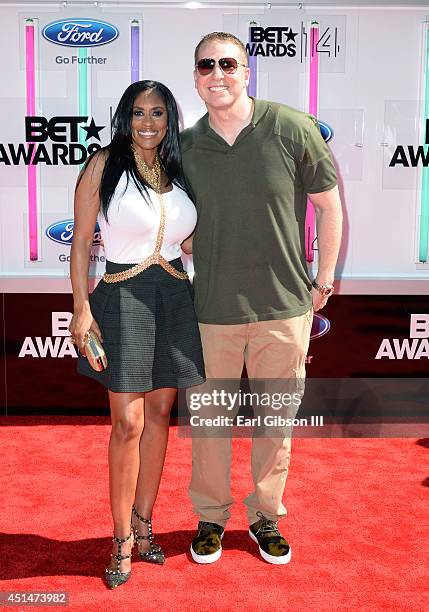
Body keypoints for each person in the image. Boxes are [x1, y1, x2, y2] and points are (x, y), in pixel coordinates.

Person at [180, 32, 342, 565]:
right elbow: (172, 217)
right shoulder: (185, 146)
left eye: (228, 64)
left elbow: (329, 204)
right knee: (209, 423)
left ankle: (265, 515)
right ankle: (210, 516)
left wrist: (324, 280)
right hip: (211, 309)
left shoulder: (293, 128)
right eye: (207, 66)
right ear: (197, 78)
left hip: (284, 306)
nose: (217, 74)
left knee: (276, 420)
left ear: (247, 72)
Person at [69, 80, 205, 588]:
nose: (147, 123)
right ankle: (121, 536)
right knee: (126, 423)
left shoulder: (177, 168)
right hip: (121, 297)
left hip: (173, 297)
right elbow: (82, 242)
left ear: (170, 119)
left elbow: (185, 238)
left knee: (159, 416)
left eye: (158, 114)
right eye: (138, 113)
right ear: (125, 117)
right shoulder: (103, 165)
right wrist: (81, 308)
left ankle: (146, 526)